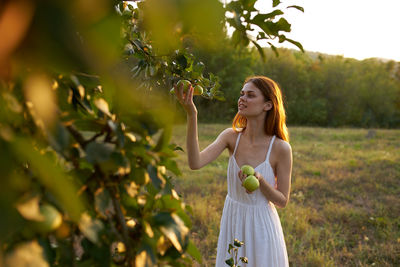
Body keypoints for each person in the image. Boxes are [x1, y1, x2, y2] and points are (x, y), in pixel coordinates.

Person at [174, 75, 292, 267]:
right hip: (233, 220)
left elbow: (282, 200)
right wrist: (191, 114)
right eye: (241, 94)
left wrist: (261, 181)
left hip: (262, 228)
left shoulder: (280, 148)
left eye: (250, 95)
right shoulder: (231, 137)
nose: (242, 99)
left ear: (268, 105)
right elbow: (195, 163)